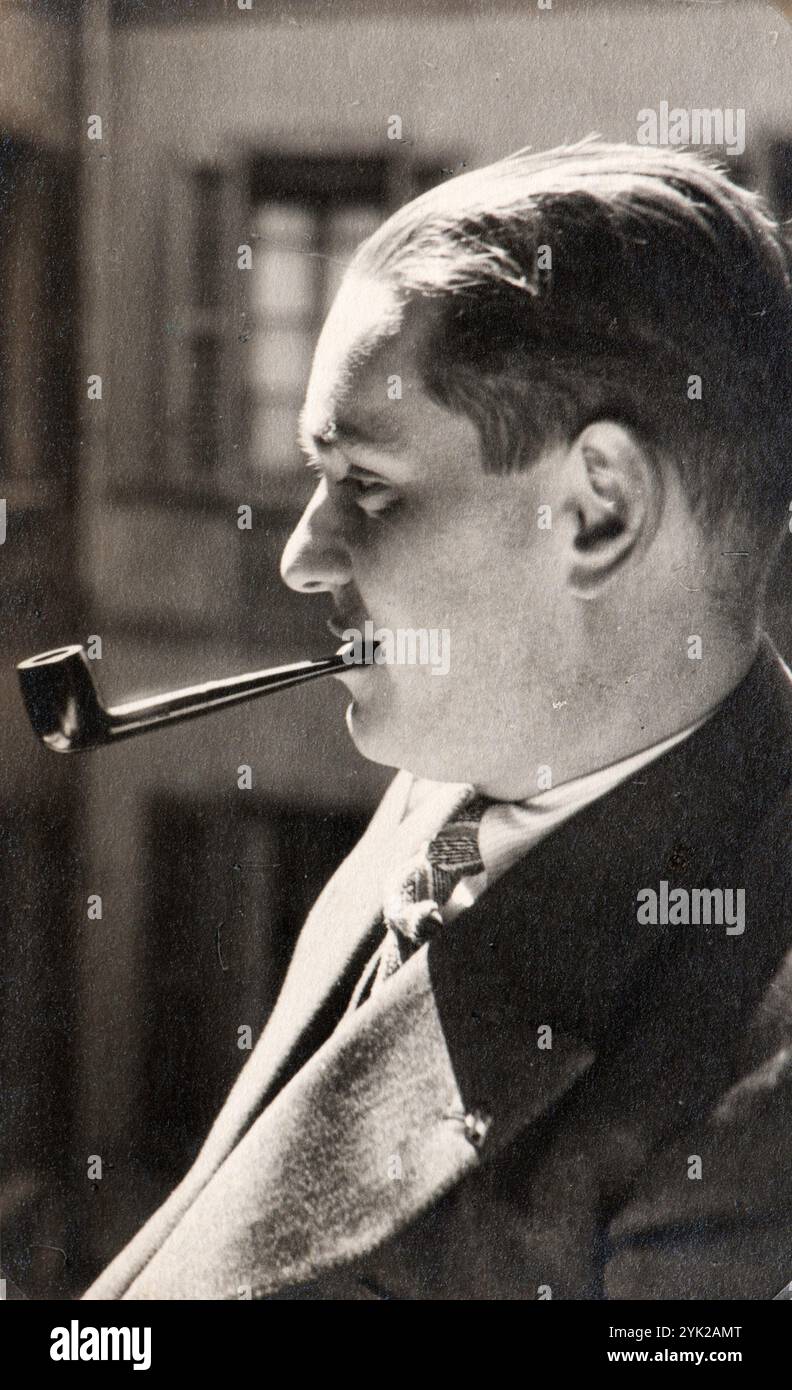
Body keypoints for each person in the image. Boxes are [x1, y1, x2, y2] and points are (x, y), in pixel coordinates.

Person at [85, 140, 792, 1300]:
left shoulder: (753, 1104)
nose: (305, 558)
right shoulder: (477, 764)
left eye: (365, 484)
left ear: (595, 511)